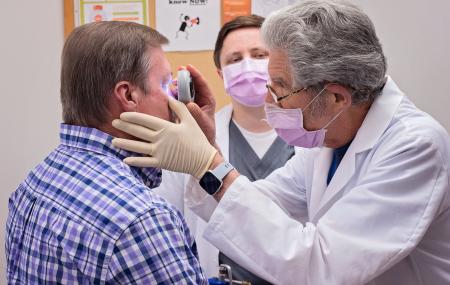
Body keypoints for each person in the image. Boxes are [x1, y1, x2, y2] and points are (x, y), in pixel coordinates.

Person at [112, 1, 450, 284]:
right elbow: (265, 200)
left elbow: (319, 266)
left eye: (280, 87)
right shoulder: (326, 140)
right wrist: (209, 154)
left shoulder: (416, 146)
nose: (269, 99)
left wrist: (209, 165)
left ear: (335, 97)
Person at [5, 21, 207, 284]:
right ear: (128, 95)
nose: (177, 98)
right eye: (165, 83)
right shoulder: (142, 220)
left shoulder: (36, 182)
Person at [156, 15, 295, 283]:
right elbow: (167, 219)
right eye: (235, 59)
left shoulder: (310, 140)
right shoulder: (195, 137)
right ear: (220, 74)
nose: (248, 65)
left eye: (259, 54)